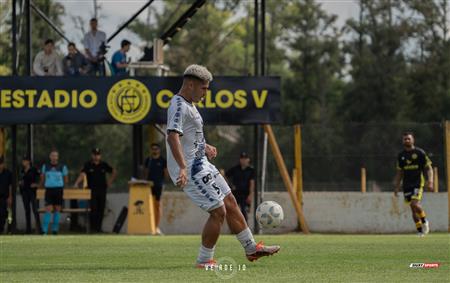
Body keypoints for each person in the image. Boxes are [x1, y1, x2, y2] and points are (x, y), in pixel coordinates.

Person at [166, 64, 280, 268]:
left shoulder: (189, 105)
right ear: (191, 84)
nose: (205, 93)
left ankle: (251, 248)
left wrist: (205, 146)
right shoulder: (179, 104)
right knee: (218, 211)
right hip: (191, 169)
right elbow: (172, 136)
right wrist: (182, 167)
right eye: (204, 89)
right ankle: (204, 260)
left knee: (230, 201)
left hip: (202, 163)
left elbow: (188, 137)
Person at [394, 132, 432, 237]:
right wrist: (397, 186)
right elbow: (399, 172)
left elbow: (428, 168)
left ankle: (425, 222)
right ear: (403, 141)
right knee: (413, 209)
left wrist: (431, 181)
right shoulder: (401, 156)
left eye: (408, 139)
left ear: (413, 140)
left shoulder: (420, 153)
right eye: (405, 139)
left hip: (418, 183)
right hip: (407, 185)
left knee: (414, 204)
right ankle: (420, 231)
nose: (407, 140)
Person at [74, 148, 116, 233]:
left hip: (102, 190)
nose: (96, 156)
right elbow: (82, 174)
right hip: (91, 190)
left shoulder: (104, 164)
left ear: (100, 156)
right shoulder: (88, 164)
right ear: (92, 155)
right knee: (94, 209)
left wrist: (109, 182)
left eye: (98, 155)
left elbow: (114, 171)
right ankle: (92, 228)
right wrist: (76, 183)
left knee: (101, 209)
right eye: (95, 154)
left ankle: (98, 228)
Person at [40, 149, 68, 235]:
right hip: (49, 190)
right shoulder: (45, 166)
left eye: (56, 156)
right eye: (52, 155)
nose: (54, 157)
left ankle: (54, 230)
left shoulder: (62, 167)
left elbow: (66, 179)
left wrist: (60, 184)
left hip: (59, 190)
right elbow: (42, 178)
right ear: (50, 157)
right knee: (48, 209)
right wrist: (41, 185)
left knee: (57, 209)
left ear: (58, 157)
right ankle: (44, 230)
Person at [144, 143, 168, 235]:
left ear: (159, 150)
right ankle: (149, 227)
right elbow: (145, 173)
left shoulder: (163, 160)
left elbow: (166, 174)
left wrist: (163, 183)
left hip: (159, 185)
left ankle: (156, 227)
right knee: (149, 206)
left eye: (156, 149)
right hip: (149, 186)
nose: (154, 150)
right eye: (153, 149)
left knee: (157, 205)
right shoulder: (148, 160)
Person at [225, 152, 255, 223]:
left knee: (244, 211)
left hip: (245, 194)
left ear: (248, 160)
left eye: (245, 159)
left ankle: (245, 227)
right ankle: (234, 228)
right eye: (242, 158)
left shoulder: (251, 170)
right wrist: (229, 185)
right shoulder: (235, 169)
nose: (243, 160)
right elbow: (225, 175)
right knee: (232, 211)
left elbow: (252, 183)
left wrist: (250, 194)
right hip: (235, 193)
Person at [19, 155, 41, 234]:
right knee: (27, 210)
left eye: (25, 161)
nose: (23, 162)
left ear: (28, 162)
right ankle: (28, 229)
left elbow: (40, 178)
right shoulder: (22, 170)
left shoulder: (34, 169)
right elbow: (21, 179)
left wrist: (37, 184)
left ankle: (39, 229)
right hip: (24, 192)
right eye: (23, 161)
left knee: (35, 210)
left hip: (32, 192)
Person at [0, 156, 12, 234]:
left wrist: (10, 197)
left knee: (4, 214)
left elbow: (10, 186)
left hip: (4, 197)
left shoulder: (8, 173)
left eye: (1, 164)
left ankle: (3, 229)